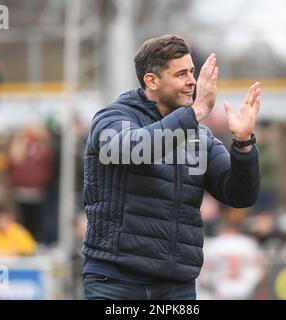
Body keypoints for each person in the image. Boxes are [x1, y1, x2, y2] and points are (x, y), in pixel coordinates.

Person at [82, 35, 261, 300]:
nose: (192, 81)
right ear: (151, 81)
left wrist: (244, 143)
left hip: (177, 285)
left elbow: (240, 195)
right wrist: (196, 113)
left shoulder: (199, 134)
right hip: (116, 281)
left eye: (192, 72)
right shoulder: (113, 119)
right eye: (181, 74)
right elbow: (135, 150)